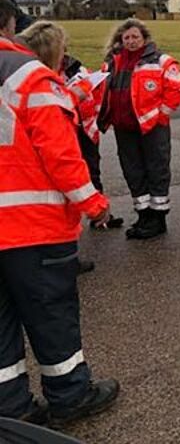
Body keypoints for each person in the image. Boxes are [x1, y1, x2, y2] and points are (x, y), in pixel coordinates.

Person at [0, 0, 120, 426]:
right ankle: (70, 395)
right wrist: (94, 204)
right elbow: (61, 155)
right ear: (9, 24)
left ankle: (11, 409)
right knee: (52, 315)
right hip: (31, 227)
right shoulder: (29, 75)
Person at [19, 23, 121, 275]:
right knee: (52, 289)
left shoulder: (18, 80)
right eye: (62, 48)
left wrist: (78, 92)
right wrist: (96, 206)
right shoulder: (42, 89)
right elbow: (62, 159)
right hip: (39, 202)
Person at [98, 19, 180, 240]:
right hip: (124, 127)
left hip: (151, 127)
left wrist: (162, 115)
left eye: (135, 37)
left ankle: (158, 217)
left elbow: (176, 87)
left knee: (156, 169)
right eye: (126, 37)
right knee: (133, 171)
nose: (131, 41)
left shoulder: (161, 61)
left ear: (144, 38)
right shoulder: (113, 62)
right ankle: (143, 214)